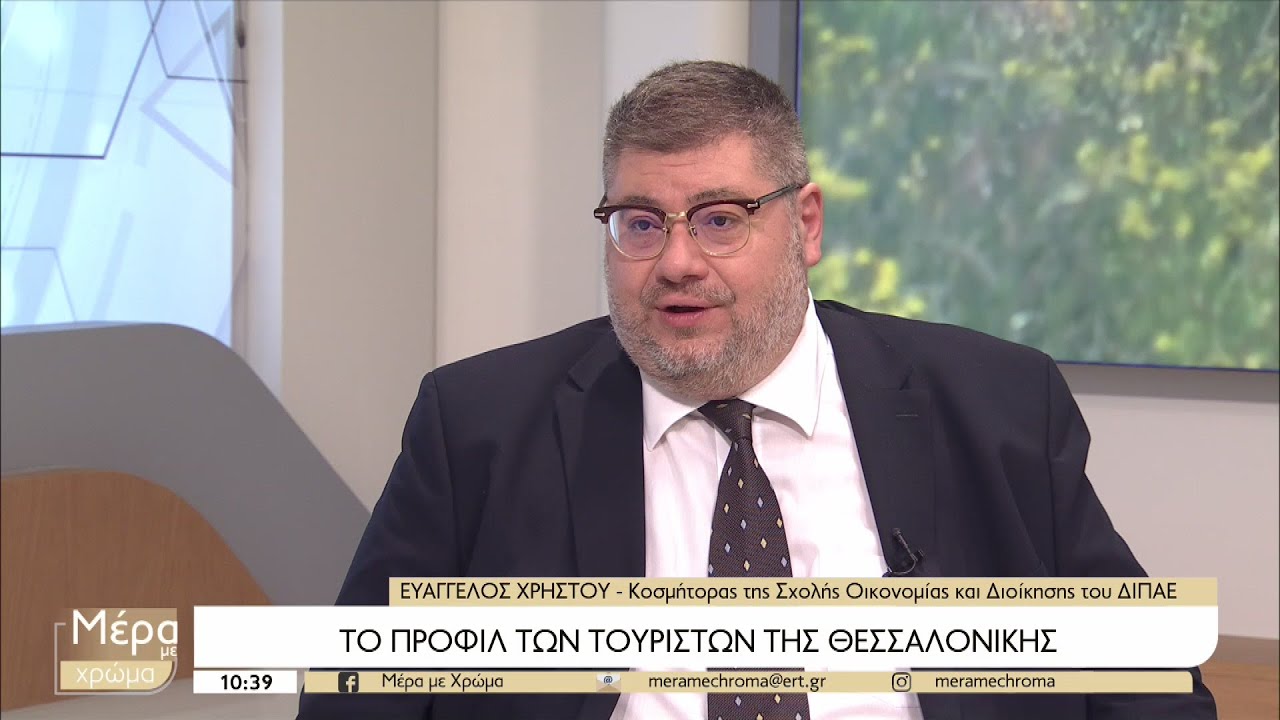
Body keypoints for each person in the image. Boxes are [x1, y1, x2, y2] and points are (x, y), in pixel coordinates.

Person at [297, 61, 1216, 719]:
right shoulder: (479, 427)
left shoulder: (998, 405)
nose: (677, 263)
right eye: (640, 223)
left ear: (805, 225)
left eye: (721, 219)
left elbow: (1152, 688)